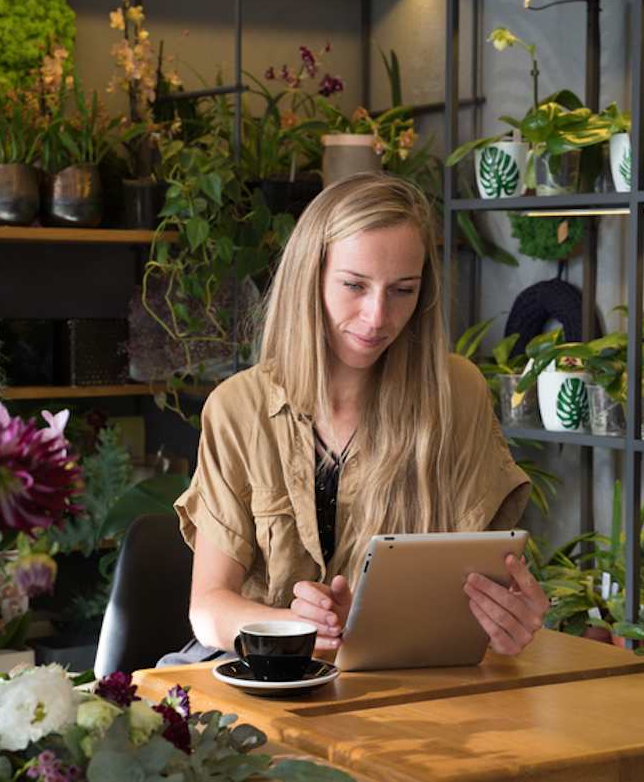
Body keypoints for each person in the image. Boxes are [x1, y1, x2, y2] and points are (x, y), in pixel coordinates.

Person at [163, 172, 547, 665]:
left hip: (402, 684)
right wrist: (301, 629)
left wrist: (508, 618)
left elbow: (481, 589)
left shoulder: (459, 394)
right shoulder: (238, 407)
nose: (376, 317)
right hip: (263, 675)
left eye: (403, 291)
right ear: (310, 278)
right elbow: (209, 609)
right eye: (353, 285)